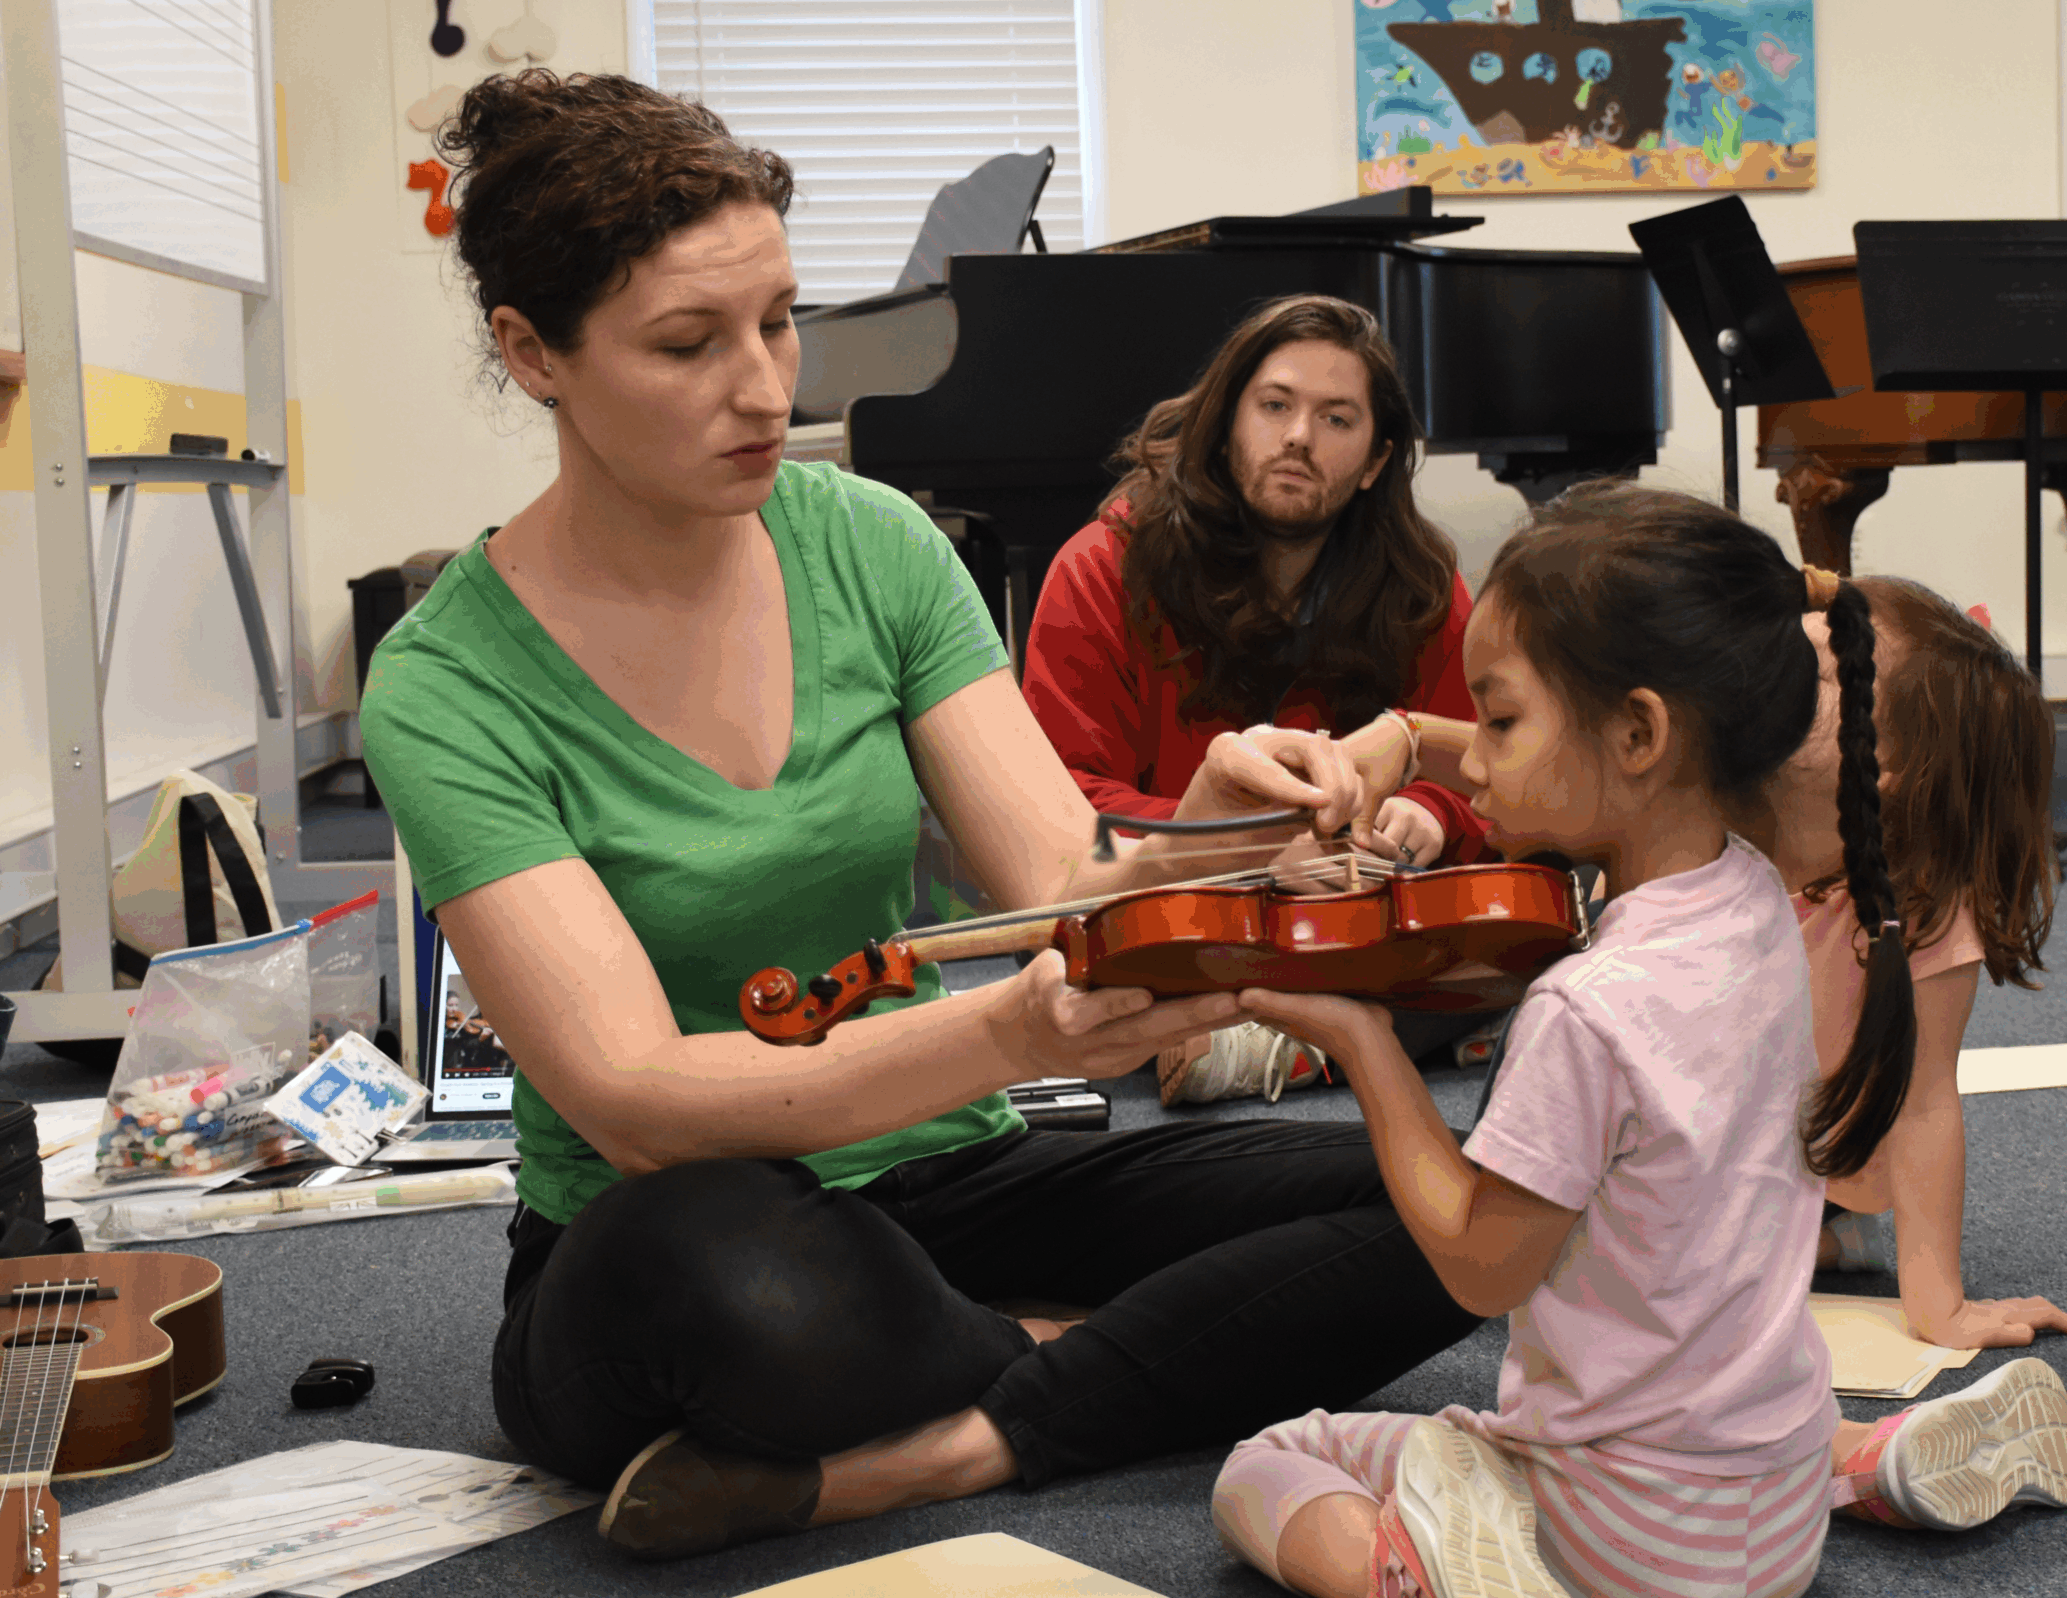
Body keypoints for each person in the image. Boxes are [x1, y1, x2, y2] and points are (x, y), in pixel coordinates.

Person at [360, 69, 1485, 1563]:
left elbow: (1068, 882)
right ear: (533, 352)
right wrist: (1012, 1035)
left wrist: (1216, 825)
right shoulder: (445, 682)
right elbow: (632, 1096)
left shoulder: (876, 544)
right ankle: (1119, 1354)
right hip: (683, 1223)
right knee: (729, 1289)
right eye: (689, 344)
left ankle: (963, 1430)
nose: (768, 388)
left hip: (942, 1166)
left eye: (778, 318)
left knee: (1457, 1195)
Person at [1204, 484, 2067, 1598]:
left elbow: (1482, 1268)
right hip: (1768, 1525)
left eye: (1504, 719)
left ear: (1641, 729)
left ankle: (1429, 1576)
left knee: (1272, 1459)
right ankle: (1870, 1457)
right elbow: (1613, 765)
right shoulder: (1764, 895)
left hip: (1621, 1544)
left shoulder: (1586, 1008)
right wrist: (1418, 738)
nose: (1476, 763)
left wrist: (1365, 1041)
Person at [1022, 294, 1492, 1105]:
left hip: (1356, 929)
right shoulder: (1100, 569)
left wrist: (1430, 813)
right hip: (1175, 928)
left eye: (1337, 419)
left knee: (1548, 918)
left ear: (1376, 460)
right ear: (1228, 420)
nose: (1299, 437)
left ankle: (1286, 1043)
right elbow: (1062, 819)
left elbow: (1492, 768)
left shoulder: (1422, 584)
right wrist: (1237, 847)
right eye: (1275, 406)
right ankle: (1349, 1038)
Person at [1749, 575, 2067, 1353]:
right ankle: (1822, 1240)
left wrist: (1939, 1301)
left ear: (1883, 767)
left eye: (1831, 673)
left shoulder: (1919, 901)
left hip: (1802, 1161)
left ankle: (1833, 1233)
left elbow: (1925, 1096)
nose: (1782, 658)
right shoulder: (1708, 801)